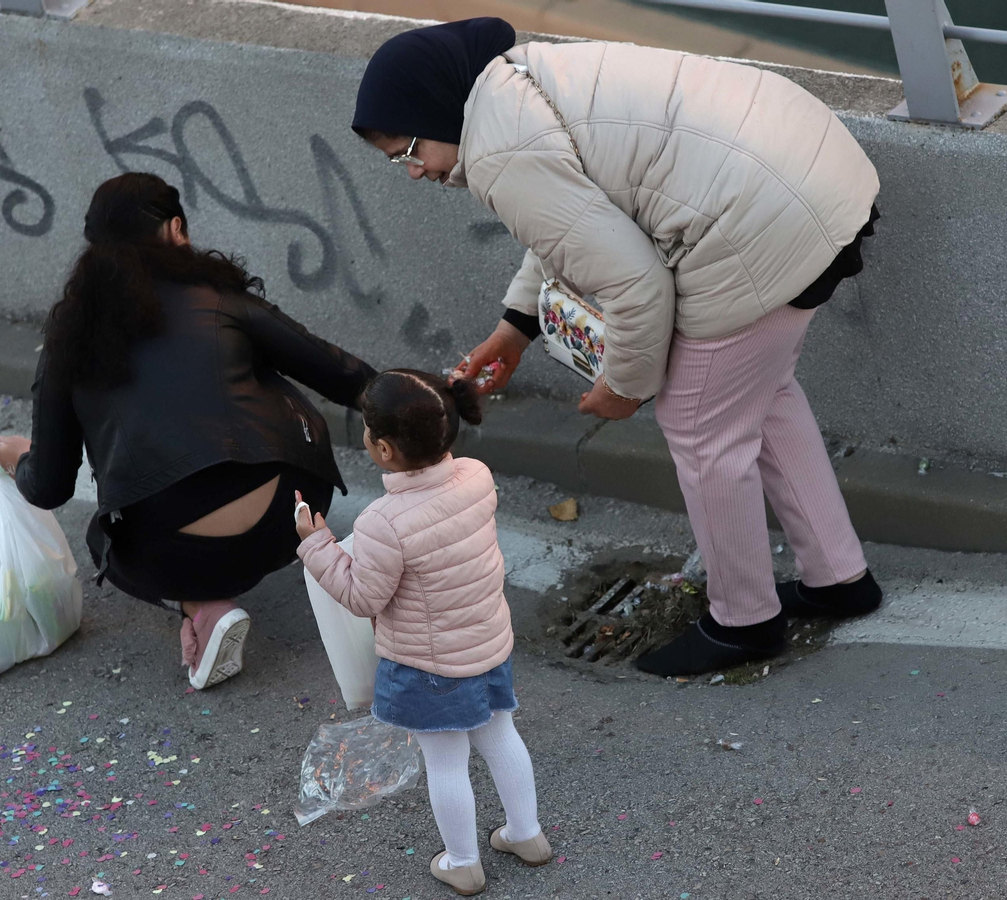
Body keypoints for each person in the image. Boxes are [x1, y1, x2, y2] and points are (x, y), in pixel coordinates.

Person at [350, 18, 885, 678]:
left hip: (759, 217)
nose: (411, 173)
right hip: (808, 171)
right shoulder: (512, 84)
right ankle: (838, 579)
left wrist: (624, 387)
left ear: (432, 111)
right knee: (760, 394)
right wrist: (517, 327)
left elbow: (635, 281)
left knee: (700, 424)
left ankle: (745, 620)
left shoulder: (496, 151)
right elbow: (571, 223)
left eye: (407, 152)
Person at [0, 173, 377, 690]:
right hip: (293, 518)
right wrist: (433, 411)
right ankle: (207, 603)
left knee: (106, 541)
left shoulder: (71, 336)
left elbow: (51, 487)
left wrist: (18, 457)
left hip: (168, 550)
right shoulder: (218, 298)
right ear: (177, 229)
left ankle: (202, 605)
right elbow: (342, 374)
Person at [295, 370, 547, 897]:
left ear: (383, 448)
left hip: (432, 665)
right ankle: (526, 834)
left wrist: (318, 544)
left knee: (446, 761)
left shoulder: (382, 521)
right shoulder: (477, 475)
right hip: (486, 641)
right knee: (501, 734)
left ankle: (463, 862)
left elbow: (364, 598)